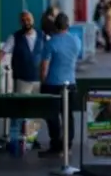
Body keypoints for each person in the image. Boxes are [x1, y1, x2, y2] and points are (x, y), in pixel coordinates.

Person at [38, 12, 81, 157]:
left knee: (52, 116)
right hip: (70, 83)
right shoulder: (75, 40)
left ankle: (56, 144)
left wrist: (43, 81)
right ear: (68, 26)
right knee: (68, 115)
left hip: (53, 85)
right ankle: (67, 145)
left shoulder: (50, 43)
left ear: (55, 26)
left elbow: (44, 67)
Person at [0, 11, 46, 94]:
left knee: (38, 106)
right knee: (22, 105)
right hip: (22, 81)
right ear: (20, 22)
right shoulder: (14, 37)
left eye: (28, 19)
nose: (26, 22)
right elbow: (2, 53)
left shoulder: (42, 36)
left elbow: (50, 54)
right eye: (23, 20)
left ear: (33, 20)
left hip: (39, 81)